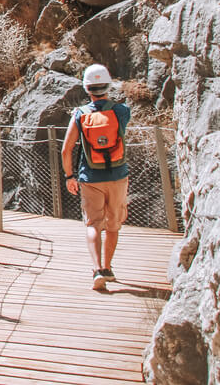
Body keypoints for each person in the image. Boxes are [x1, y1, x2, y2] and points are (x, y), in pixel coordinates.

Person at [61, 64, 131, 291]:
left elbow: (66, 149)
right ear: (107, 86)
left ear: (87, 88)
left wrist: (70, 176)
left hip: (90, 177)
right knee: (113, 224)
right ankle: (108, 267)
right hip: (118, 175)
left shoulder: (80, 114)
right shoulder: (121, 111)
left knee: (93, 224)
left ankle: (97, 269)